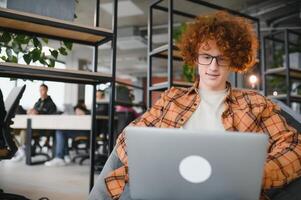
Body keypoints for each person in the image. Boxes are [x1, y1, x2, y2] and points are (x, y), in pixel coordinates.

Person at [89, 11, 301, 200]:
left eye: (222, 58)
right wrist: (149, 167)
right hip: (165, 186)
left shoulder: (255, 103)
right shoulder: (172, 98)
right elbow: (130, 138)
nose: (213, 66)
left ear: (234, 60)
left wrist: (257, 175)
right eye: (206, 57)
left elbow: (294, 147)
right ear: (196, 58)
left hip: (226, 192)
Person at [12, 83, 57, 162]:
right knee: (13, 131)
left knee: (23, 132)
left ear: (46, 90)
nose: (41, 92)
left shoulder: (51, 104)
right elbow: (34, 111)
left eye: (42, 90)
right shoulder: (37, 103)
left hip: (42, 128)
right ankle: (21, 150)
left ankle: (22, 151)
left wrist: (38, 113)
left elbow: (51, 119)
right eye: (40, 90)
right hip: (31, 125)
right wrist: (30, 111)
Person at [44, 101, 90, 167]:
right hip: (80, 129)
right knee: (62, 131)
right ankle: (65, 155)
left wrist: (85, 113)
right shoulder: (78, 109)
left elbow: (95, 114)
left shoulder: (89, 111)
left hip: (87, 131)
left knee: (60, 131)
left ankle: (59, 157)